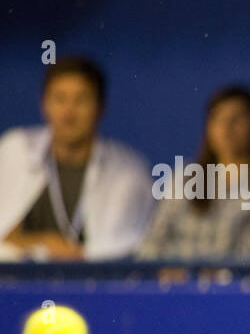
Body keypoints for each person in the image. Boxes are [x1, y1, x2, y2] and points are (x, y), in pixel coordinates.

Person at [0, 57, 153, 261]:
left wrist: (77, 254)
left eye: (81, 100)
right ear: (44, 104)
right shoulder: (15, 150)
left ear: (101, 107)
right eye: (60, 99)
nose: (68, 112)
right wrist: (44, 244)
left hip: (95, 287)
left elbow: (135, 244)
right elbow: (5, 234)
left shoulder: (129, 170)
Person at [134, 86, 250, 261]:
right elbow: (152, 242)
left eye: (236, 119)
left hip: (227, 287)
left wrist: (197, 273)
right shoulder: (186, 175)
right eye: (218, 118)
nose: (226, 128)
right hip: (171, 284)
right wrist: (166, 270)